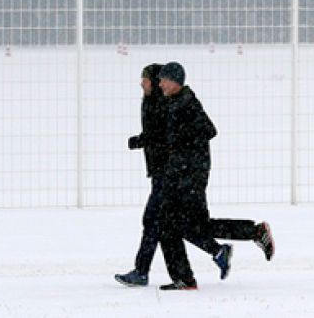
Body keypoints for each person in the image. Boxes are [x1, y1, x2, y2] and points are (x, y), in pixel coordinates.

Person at [113, 64, 276, 289]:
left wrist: (180, 151)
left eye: (158, 80)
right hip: (177, 173)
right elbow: (163, 135)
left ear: (172, 81)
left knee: (176, 224)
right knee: (180, 225)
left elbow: (208, 130)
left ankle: (183, 273)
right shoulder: (171, 102)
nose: (156, 84)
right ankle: (188, 272)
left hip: (188, 176)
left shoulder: (185, 102)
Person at [112, 64, 168, 287]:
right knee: (163, 223)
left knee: (155, 221)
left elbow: (160, 135)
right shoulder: (150, 101)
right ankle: (217, 251)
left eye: (145, 80)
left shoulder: (161, 104)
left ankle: (142, 271)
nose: (141, 84)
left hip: (167, 172)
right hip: (159, 171)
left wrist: (140, 141)